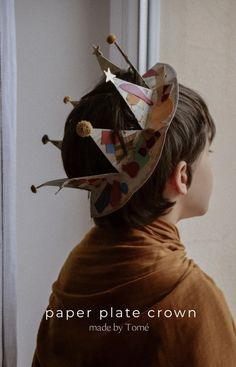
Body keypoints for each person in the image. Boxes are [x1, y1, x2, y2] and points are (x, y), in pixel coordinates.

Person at [31, 42, 236, 366]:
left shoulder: (76, 274)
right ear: (182, 177)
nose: (211, 163)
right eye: (207, 153)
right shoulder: (191, 300)